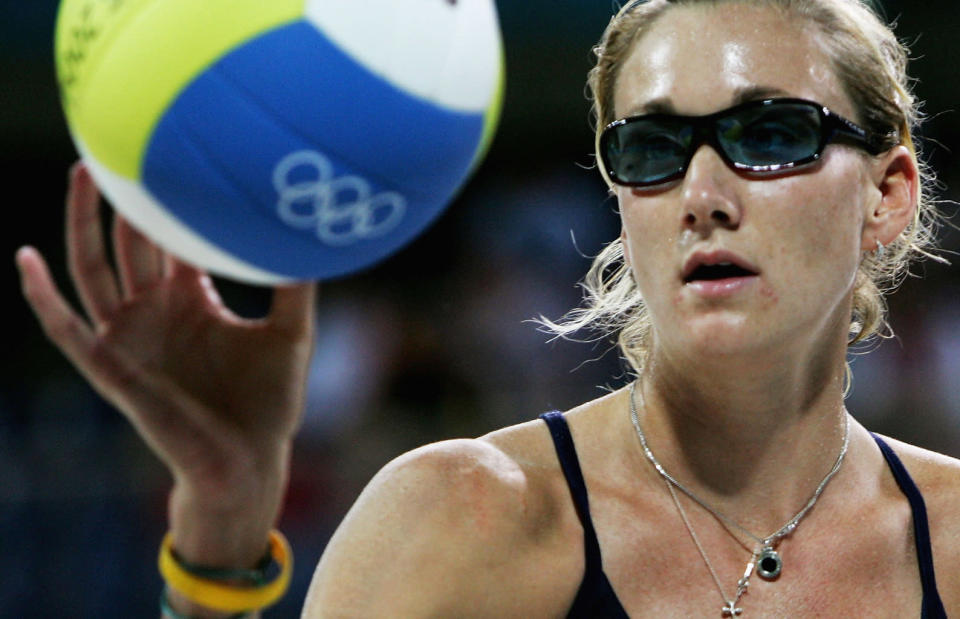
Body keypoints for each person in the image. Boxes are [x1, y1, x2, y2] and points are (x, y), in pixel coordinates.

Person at [16, 0, 959, 616]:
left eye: (769, 133)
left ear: (888, 194)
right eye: (654, 147)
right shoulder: (460, 516)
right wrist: (219, 537)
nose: (703, 191)